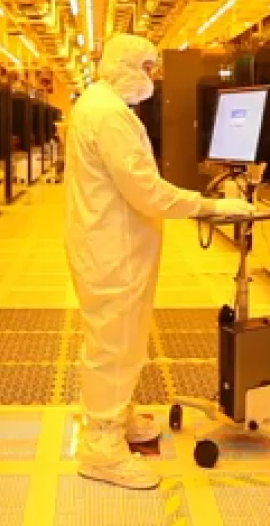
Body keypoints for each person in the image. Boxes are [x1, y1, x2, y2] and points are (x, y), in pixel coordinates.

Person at [64, 34, 256, 489]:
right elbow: (146, 191)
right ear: (126, 65)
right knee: (113, 345)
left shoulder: (99, 104)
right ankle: (102, 448)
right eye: (147, 68)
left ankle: (118, 417)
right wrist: (210, 207)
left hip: (112, 246)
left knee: (121, 339)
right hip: (113, 251)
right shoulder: (109, 115)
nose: (150, 78)